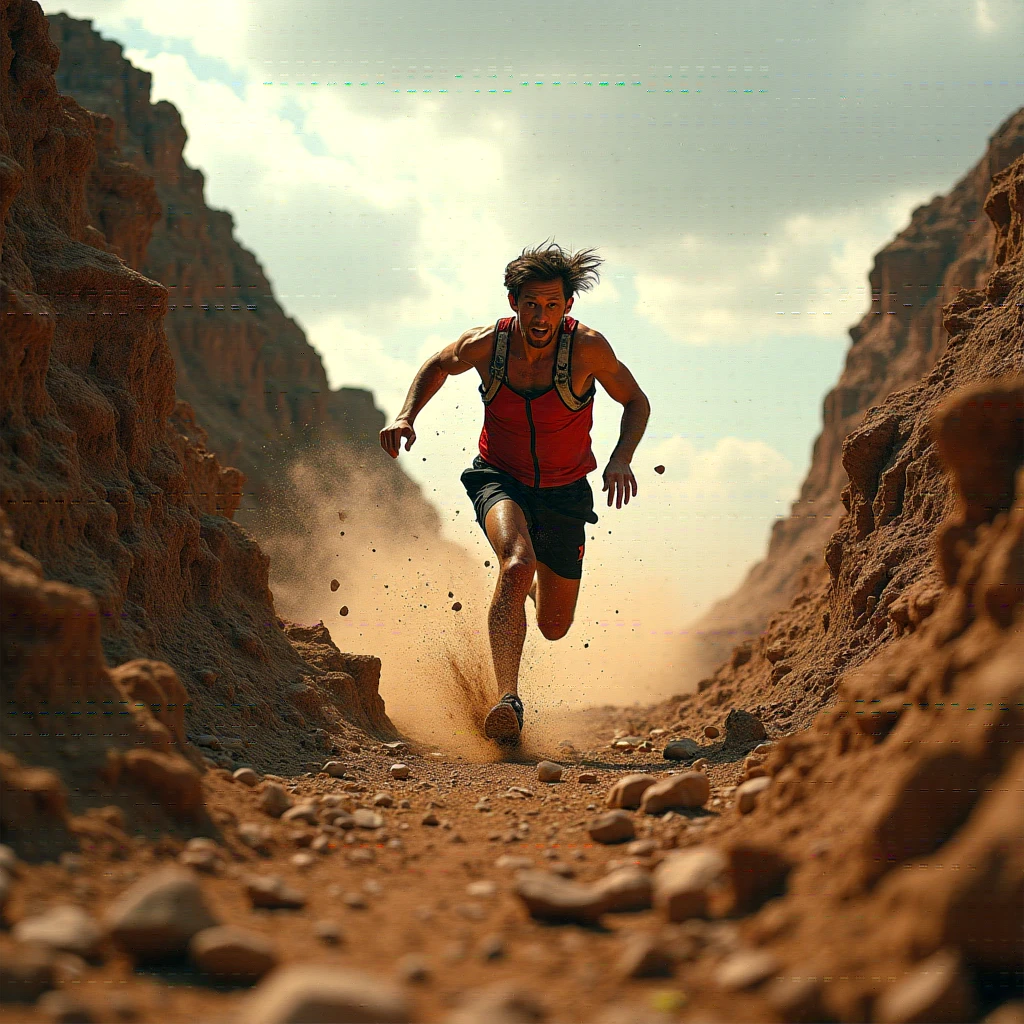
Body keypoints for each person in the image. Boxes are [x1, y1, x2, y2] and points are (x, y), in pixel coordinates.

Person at [380, 242, 651, 744]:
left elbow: (635, 400)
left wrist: (621, 459)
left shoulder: (588, 348)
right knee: (517, 561)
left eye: (552, 305)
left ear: (568, 306)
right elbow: (439, 364)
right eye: (530, 304)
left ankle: (525, 589)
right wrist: (405, 415)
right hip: (499, 476)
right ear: (513, 303)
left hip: (566, 490)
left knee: (554, 626)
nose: (540, 316)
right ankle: (508, 698)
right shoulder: (488, 344)